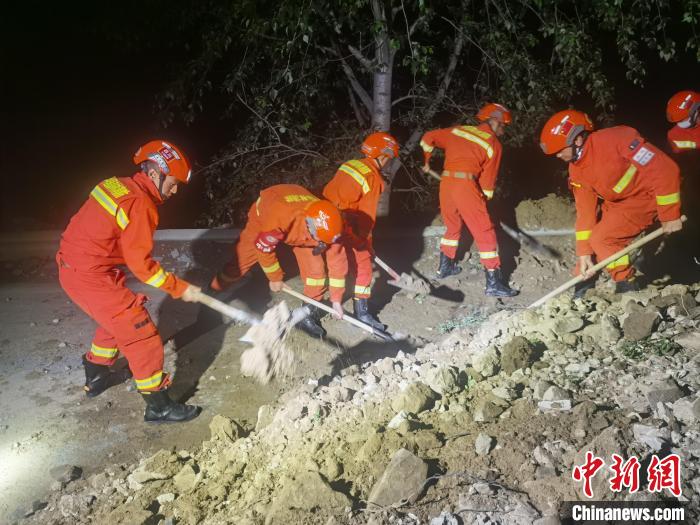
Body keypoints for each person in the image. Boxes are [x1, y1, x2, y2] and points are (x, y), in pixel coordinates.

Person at [57, 140, 202, 423]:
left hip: (76, 267)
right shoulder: (141, 204)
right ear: (155, 173)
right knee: (141, 333)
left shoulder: (116, 185)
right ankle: (158, 406)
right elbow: (142, 267)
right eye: (173, 184)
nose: (174, 191)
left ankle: (97, 376)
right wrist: (179, 288)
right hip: (89, 275)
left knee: (116, 319)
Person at [539, 110, 683, 295]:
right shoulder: (576, 170)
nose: (557, 156)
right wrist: (584, 253)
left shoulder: (617, 139)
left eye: (560, 150)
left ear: (578, 140)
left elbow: (665, 169)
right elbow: (586, 213)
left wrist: (669, 214)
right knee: (594, 240)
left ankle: (626, 284)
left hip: (648, 196)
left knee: (602, 239)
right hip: (619, 204)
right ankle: (586, 280)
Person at [210, 184, 347, 338]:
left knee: (316, 273)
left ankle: (307, 314)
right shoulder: (280, 216)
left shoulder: (332, 229)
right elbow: (263, 249)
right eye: (319, 240)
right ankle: (215, 289)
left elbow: (338, 262)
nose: (322, 245)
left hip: (299, 221)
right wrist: (275, 278)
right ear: (309, 226)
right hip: (265, 213)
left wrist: (336, 299)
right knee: (241, 262)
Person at [420, 103, 518, 297]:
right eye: (503, 125)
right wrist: (482, 200)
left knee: (452, 226)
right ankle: (494, 283)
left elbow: (427, 138)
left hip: (446, 184)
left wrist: (426, 161)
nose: (504, 130)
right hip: (465, 185)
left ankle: (445, 267)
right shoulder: (493, 144)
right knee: (484, 231)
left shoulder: (459, 130)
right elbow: (487, 183)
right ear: (495, 121)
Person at [322, 132, 399, 330]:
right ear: (383, 156)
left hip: (325, 216)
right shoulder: (372, 177)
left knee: (338, 261)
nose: (388, 162)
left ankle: (326, 304)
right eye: (388, 158)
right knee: (363, 265)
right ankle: (362, 313)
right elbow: (366, 218)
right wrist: (365, 241)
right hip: (345, 222)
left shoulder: (350, 164)